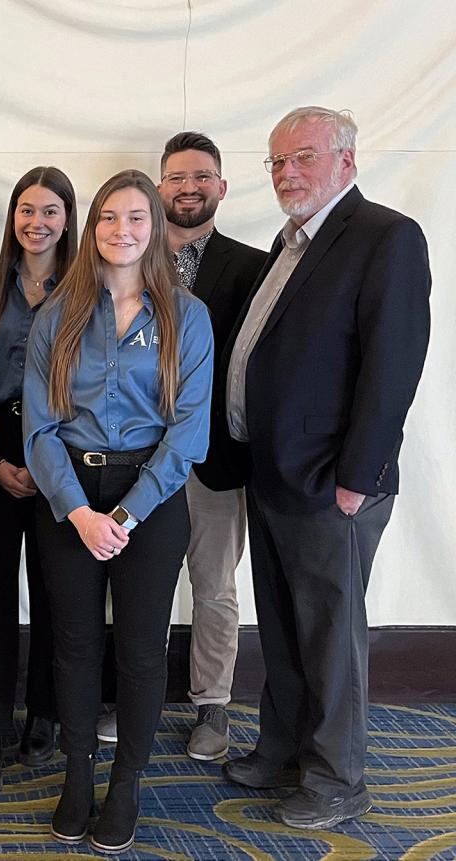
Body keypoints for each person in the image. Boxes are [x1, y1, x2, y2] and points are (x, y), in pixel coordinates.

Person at [220, 106, 430, 830]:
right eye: (277, 162)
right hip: (274, 471)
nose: (287, 174)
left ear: (346, 159)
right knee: (283, 627)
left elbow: (392, 365)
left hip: (332, 483)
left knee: (330, 636)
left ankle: (339, 780)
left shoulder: (385, 237)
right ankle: (282, 750)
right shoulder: (292, 244)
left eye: (303, 158)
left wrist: (357, 476)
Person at [23, 170, 213, 853]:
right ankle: (78, 774)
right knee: (72, 646)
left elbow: (188, 432)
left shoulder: (187, 317)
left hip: (150, 503)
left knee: (139, 649)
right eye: (108, 217)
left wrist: (125, 517)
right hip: (70, 500)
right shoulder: (59, 314)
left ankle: (126, 780)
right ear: (93, 227)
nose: (121, 230)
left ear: (155, 228)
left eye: (136, 217)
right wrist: (77, 511)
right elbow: (39, 429)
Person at [0, 166, 75, 794]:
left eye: (49, 211)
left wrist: (51, 461)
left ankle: (48, 712)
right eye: (26, 210)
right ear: (12, 218)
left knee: (58, 589)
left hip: (61, 448)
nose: (37, 222)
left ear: (67, 218)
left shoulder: (86, 285)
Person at [156, 132, 266, 761]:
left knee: (215, 587)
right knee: (134, 581)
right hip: (140, 460)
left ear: (222, 187)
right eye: (176, 177)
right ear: (159, 185)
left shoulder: (254, 267)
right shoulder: (129, 255)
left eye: (202, 177)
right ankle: (131, 693)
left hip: (217, 458)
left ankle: (212, 706)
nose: (189, 188)